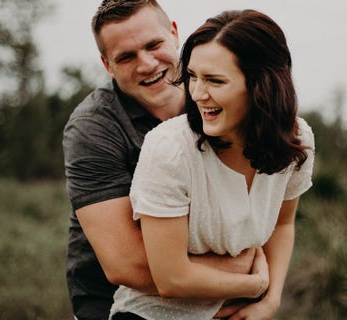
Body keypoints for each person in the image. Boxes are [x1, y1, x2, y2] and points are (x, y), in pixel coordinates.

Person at [109, 9, 316, 320]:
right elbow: (171, 278)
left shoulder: (297, 140)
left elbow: (283, 225)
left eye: (215, 81)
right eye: (192, 76)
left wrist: (270, 301)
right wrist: (254, 284)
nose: (197, 93)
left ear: (262, 85)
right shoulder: (169, 148)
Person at [63, 1, 258, 319]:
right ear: (107, 65)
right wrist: (242, 273)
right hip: (117, 307)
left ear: (175, 34)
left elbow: (267, 206)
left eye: (153, 45)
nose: (146, 64)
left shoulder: (219, 99)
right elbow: (125, 264)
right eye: (126, 57)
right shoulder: (93, 128)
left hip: (220, 305)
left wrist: (267, 295)